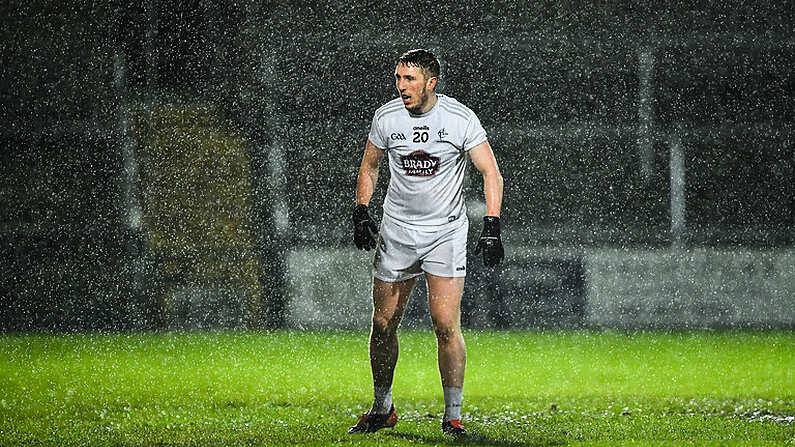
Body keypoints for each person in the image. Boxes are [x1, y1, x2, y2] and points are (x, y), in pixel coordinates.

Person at [349, 48, 504, 436]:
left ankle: (452, 415)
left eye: (409, 80)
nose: (401, 86)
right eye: (398, 78)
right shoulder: (387, 117)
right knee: (383, 322)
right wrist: (361, 210)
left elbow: (491, 173)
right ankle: (383, 408)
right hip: (398, 231)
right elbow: (370, 166)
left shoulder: (459, 118)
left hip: (445, 233)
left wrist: (492, 224)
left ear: (431, 83)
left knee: (444, 324)